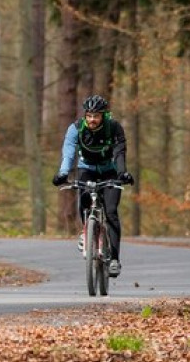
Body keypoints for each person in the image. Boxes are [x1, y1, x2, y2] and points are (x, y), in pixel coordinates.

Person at [51, 95, 134, 277]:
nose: (92, 120)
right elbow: (69, 151)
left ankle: (114, 260)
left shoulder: (114, 128)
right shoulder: (75, 128)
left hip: (109, 171)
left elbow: (120, 152)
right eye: (89, 115)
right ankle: (86, 231)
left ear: (104, 115)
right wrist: (63, 173)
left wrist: (122, 173)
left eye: (96, 116)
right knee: (85, 200)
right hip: (86, 169)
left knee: (111, 211)